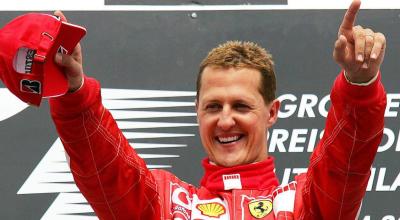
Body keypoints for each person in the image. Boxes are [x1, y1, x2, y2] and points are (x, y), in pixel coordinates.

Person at [50, 0, 387, 219]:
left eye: (240, 105)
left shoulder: (303, 205)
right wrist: (73, 92)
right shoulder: (166, 204)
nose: (226, 120)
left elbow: (347, 163)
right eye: (213, 106)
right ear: (197, 111)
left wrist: (359, 85)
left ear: (272, 113)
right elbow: (104, 171)